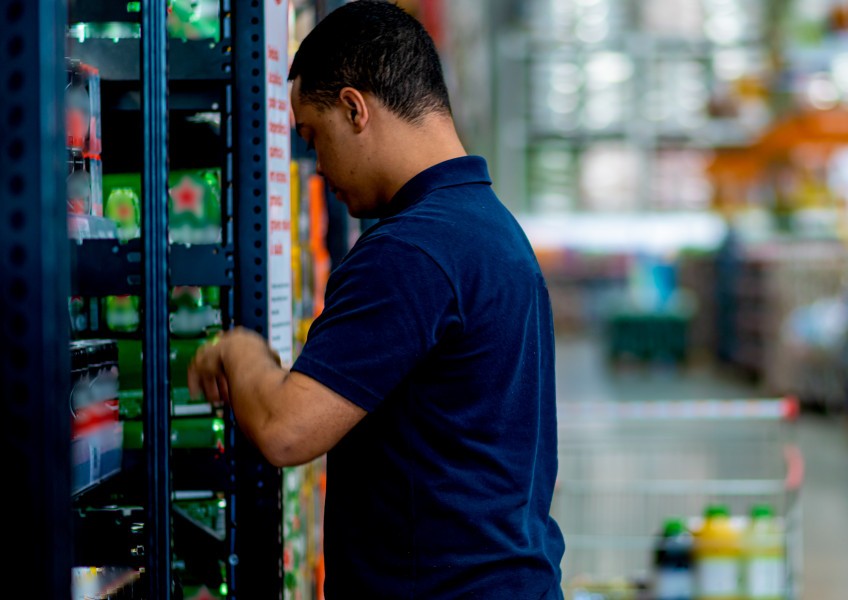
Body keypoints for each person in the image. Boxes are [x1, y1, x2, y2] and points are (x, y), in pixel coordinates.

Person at [188, 1, 565, 597]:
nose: (315, 168)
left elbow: (287, 430)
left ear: (354, 108)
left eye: (314, 136)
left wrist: (240, 353)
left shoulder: (411, 250)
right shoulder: (490, 228)